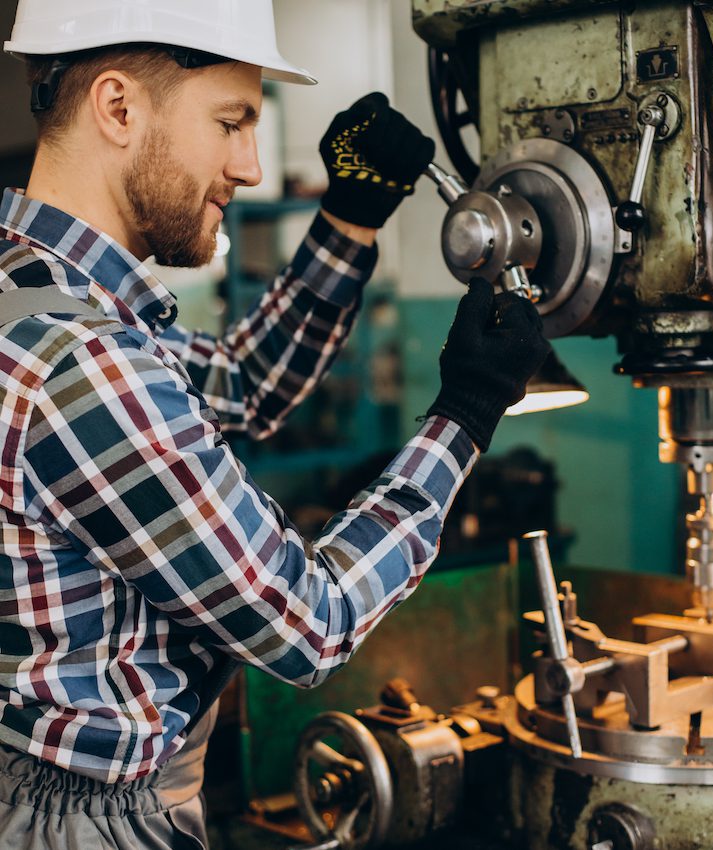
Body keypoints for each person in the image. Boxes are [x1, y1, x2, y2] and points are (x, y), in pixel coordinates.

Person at [0, 1, 549, 847]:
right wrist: (466, 415)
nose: (250, 165)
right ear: (117, 106)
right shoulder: (83, 365)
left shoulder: (34, 292)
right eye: (231, 123)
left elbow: (239, 385)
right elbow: (310, 623)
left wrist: (351, 216)